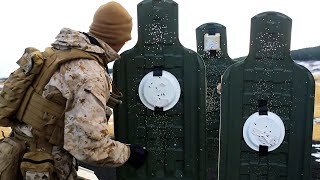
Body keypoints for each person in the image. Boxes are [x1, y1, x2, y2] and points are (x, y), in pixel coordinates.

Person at [0, 1, 147, 179]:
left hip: (15, 154)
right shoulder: (90, 74)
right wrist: (129, 153)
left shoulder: (58, 53)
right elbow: (88, 146)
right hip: (44, 165)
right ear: (121, 39)